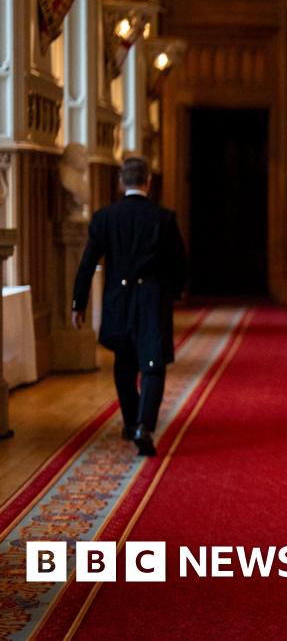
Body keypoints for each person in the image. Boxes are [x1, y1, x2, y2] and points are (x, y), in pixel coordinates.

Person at [71, 157, 187, 456]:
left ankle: (131, 421)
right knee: (153, 364)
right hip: (152, 300)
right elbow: (179, 262)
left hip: (118, 301)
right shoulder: (164, 218)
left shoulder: (104, 217)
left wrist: (78, 303)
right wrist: (174, 293)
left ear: (121, 182)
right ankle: (144, 426)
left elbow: (87, 264)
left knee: (124, 362)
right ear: (148, 180)